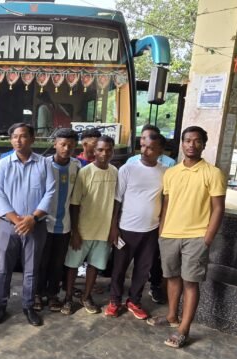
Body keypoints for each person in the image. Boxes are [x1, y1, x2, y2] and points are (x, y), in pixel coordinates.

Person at [147, 126, 226, 349]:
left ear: (204, 144)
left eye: (197, 141)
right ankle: (172, 316)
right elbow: (167, 204)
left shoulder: (213, 173)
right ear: (182, 144)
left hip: (196, 237)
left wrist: (207, 239)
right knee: (172, 278)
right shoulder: (171, 173)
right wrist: (162, 231)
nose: (192, 145)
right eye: (188, 140)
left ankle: (183, 329)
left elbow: (218, 208)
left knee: (190, 282)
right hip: (169, 234)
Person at [0, 123, 55, 326]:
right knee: (3, 268)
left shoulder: (44, 164)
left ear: (32, 139)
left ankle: (28, 306)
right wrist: (18, 220)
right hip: (8, 226)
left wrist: (32, 219)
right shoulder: (3, 164)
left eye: (23, 136)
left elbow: (51, 193)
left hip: (35, 226)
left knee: (32, 269)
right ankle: (1, 304)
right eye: (14, 136)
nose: (18, 140)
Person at [107, 132, 168, 320]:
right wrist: (114, 227)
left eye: (150, 148)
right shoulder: (128, 169)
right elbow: (117, 200)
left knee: (143, 268)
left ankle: (134, 301)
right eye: (143, 146)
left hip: (151, 230)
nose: (145, 151)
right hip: (126, 228)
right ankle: (114, 301)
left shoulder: (165, 172)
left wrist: (162, 227)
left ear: (160, 151)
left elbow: (166, 200)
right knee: (119, 268)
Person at [62, 135, 118, 316]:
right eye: (100, 150)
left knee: (94, 266)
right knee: (73, 265)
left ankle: (86, 297)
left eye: (108, 150)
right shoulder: (85, 172)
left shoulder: (115, 172)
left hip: (103, 230)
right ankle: (68, 297)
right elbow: (75, 204)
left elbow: (116, 202)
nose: (104, 153)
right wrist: (75, 232)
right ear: (94, 151)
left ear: (113, 152)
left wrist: (113, 227)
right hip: (83, 230)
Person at [35, 128, 81, 313]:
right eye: (62, 144)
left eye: (70, 145)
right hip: (44, 224)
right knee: (41, 261)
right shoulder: (43, 164)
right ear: (55, 144)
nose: (66, 148)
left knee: (57, 263)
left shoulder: (76, 166)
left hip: (64, 225)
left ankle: (53, 294)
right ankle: (37, 294)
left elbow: (76, 199)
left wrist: (75, 230)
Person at [126, 125, 171, 304]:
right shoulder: (131, 163)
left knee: (149, 262)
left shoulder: (169, 166)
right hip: (129, 223)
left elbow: (166, 196)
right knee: (123, 262)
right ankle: (117, 296)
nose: (145, 148)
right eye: (143, 142)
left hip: (153, 222)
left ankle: (151, 288)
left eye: (150, 144)